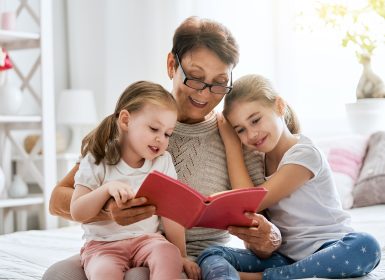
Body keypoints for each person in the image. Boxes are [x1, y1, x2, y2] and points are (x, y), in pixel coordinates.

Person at [43, 17, 282, 280]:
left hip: (193, 257)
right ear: (171, 65)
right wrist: (109, 210)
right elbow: (58, 200)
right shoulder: (138, 122)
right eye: (195, 77)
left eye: (219, 82)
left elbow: (263, 231)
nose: (204, 93)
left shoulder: (236, 133)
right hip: (117, 244)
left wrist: (267, 238)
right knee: (57, 276)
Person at [197, 74, 382, 280]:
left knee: (367, 245)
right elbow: (250, 215)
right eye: (240, 130)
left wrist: (232, 145)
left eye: (256, 120)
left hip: (330, 248)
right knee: (211, 254)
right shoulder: (258, 162)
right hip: (284, 256)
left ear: (279, 106)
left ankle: (261, 277)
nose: (251, 135)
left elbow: (252, 203)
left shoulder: (304, 154)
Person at [69, 80, 205, 280]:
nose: (161, 139)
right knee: (103, 272)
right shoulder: (97, 158)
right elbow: (77, 211)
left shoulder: (163, 162)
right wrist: (106, 189)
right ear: (125, 120)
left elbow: (171, 216)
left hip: (147, 241)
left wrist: (182, 255)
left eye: (168, 134)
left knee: (168, 254)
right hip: (103, 245)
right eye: (154, 129)